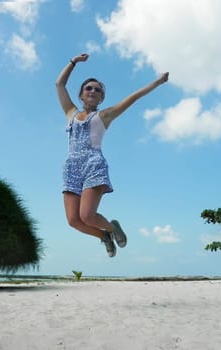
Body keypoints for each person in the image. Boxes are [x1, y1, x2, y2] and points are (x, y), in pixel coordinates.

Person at [55, 53, 169, 257]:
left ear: (101, 97)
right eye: (88, 88)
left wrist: (158, 82)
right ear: (81, 95)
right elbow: (59, 85)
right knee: (73, 220)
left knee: (87, 216)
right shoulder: (71, 113)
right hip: (71, 168)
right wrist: (73, 62)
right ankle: (104, 236)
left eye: (97, 90)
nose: (92, 91)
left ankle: (112, 227)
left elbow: (133, 97)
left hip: (93, 164)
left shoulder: (104, 116)